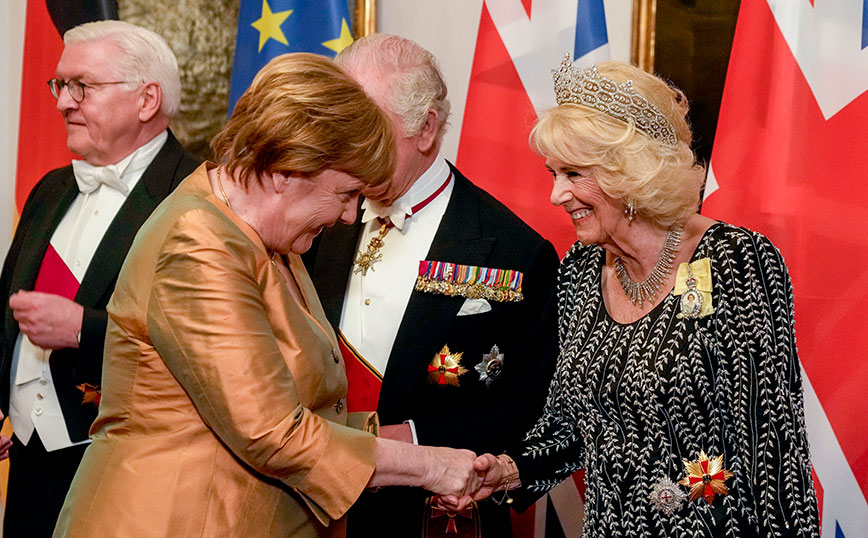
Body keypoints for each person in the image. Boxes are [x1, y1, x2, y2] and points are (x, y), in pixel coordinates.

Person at [53, 52, 483, 538]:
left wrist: (423, 444)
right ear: (286, 171)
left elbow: (307, 409)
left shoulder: (269, 237)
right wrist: (429, 467)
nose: (349, 216)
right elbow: (272, 433)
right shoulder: (198, 242)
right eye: (346, 193)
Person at [464, 56, 820, 537]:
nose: (556, 194)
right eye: (553, 173)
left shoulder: (735, 260)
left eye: (573, 174)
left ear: (628, 173)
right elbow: (571, 422)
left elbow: (773, 449)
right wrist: (507, 470)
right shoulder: (580, 269)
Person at [304, 34, 559, 537]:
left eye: (367, 125)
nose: (347, 143)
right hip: (309, 507)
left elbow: (536, 408)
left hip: (429, 516)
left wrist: (412, 439)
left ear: (425, 128)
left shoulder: (514, 250)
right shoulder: (311, 220)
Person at [0, 20, 200, 537]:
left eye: (81, 86)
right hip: (27, 462)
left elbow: (207, 349)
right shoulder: (50, 188)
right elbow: (5, 310)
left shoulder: (199, 197)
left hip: (131, 471)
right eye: (59, 85)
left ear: (147, 99)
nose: (63, 102)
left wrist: (83, 330)